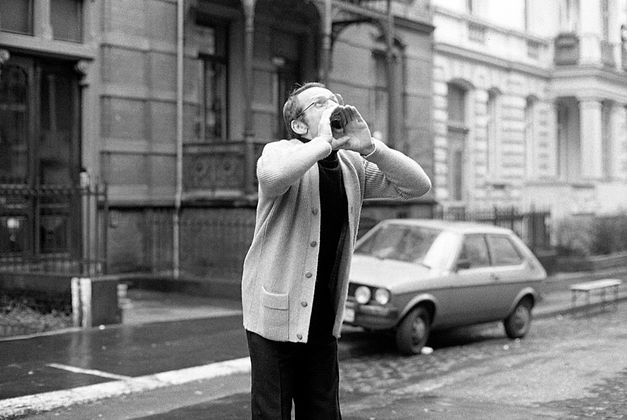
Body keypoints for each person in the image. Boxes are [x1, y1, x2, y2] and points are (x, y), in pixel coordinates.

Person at [241, 82, 431, 419]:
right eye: (319, 103)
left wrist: (371, 147)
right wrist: (321, 143)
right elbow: (272, 177)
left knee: (324, 412)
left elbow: (417, 185)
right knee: (272, 413)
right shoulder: (281, 151)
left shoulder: (352, 166)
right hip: (273, 316)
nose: (331, 106)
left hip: (321, 318)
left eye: (334, 100)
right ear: (299, 125)